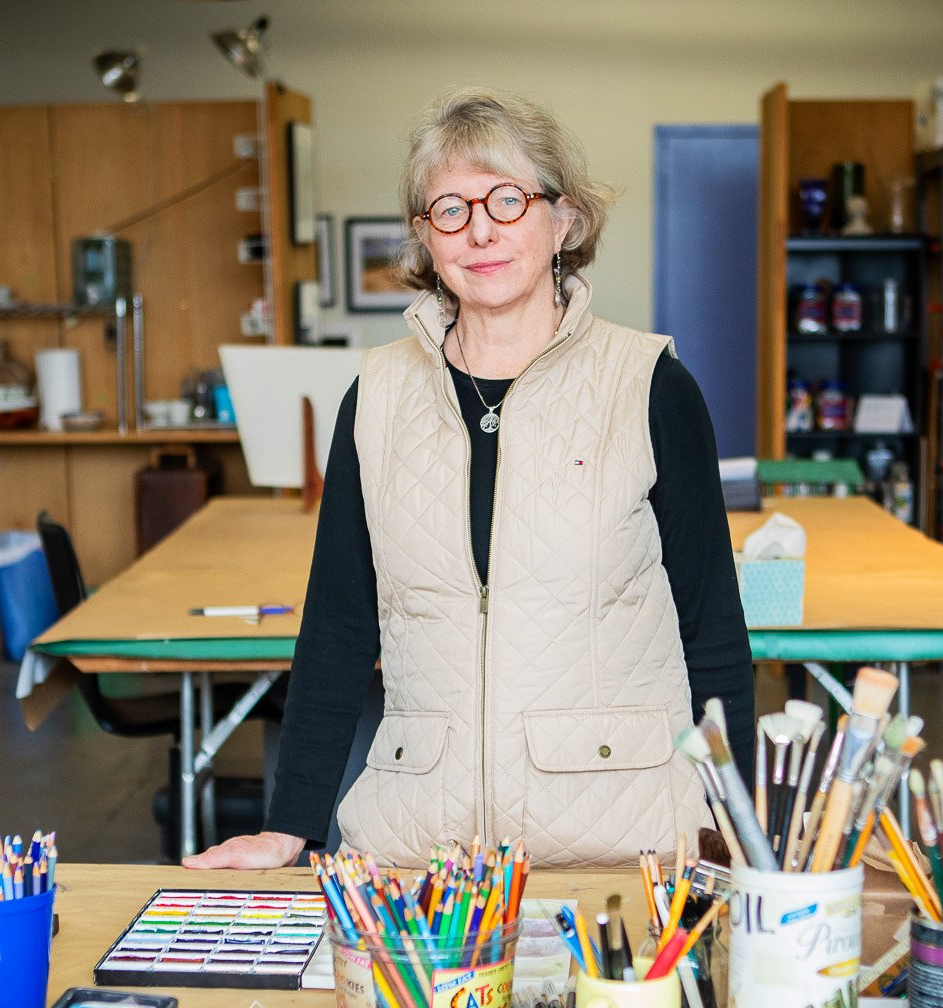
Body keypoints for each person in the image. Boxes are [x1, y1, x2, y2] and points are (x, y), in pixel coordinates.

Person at [185, 87, 752, 870]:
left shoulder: (649, 385)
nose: (480, 227)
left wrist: (744, 829)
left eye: (508, 199)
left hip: (624, 848)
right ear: (426, 239)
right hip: (422, 853)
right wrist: (292, 824)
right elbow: (339, 626)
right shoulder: (376, 397)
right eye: (449, 208)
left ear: (563, 219)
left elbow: (713, 633)